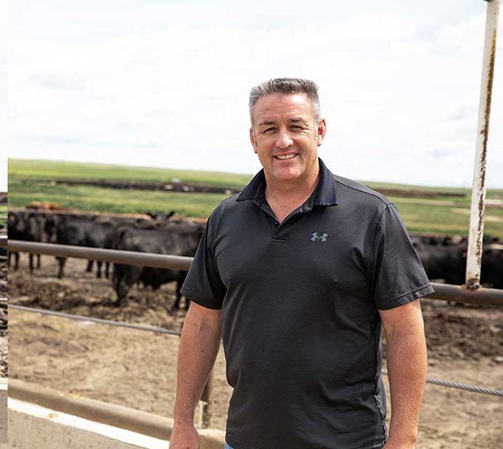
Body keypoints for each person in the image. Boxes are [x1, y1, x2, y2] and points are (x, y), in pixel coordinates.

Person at [170, 78, 430, 449]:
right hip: (247, 438)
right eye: (269, 129)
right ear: (252, 139)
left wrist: (403, 439)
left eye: (296, 126)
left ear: (320, 131)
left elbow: (405, 329)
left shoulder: (371, 215)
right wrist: (182, 422)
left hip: (346, 440)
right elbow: (201, 322)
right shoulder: (227, 217)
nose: (283, 141)